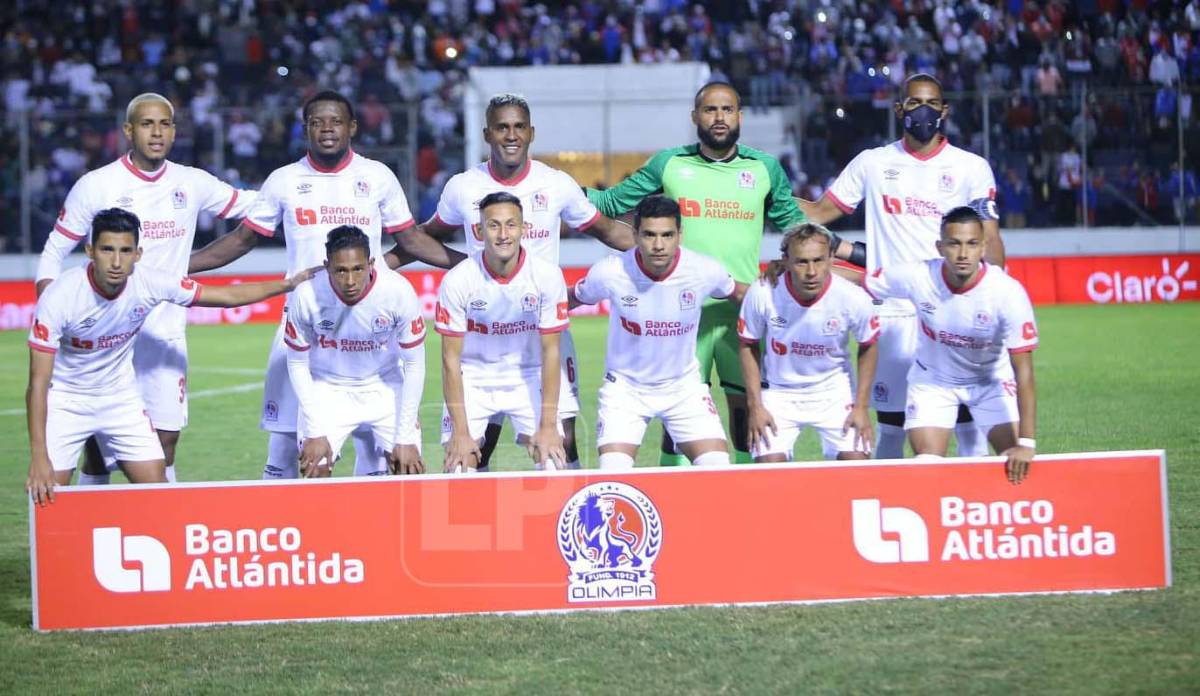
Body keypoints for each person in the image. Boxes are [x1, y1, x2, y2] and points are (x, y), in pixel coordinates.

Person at [187, 90, 465, 480]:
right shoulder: (284, 181)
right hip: (305, 321)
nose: (327, 129)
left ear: (352, 127)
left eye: (336, 121)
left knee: (380, 452)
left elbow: (412, 240)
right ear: (305, 130)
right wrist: (180, 265)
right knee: (286, 446)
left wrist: (473, 267)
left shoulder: (376, 176)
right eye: (317, 122)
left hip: (368, 326)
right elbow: (240, 241)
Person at [385, 93, 635, 471]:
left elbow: (608, 231)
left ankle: (563, 506)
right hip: (481, 336)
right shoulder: (463, 187)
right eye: (502, 127)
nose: (511, 135)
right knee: (473, 453)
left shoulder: (555, 184)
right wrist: (384, 266)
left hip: (541, 334)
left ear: (532, 132)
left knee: (562, 445)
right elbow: (423, 237)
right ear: (488, 134)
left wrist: (672, 253)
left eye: (519, 127)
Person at [34, 92, 256, 484]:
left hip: (163, 334)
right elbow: (55, 249)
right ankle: (97, 518)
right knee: (97, 452)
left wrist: (298, 193)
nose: (156, 133)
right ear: (128, 131)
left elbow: (255, 206)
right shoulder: (97, 185)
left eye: (165, 124)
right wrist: (49, 308)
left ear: (174, 131)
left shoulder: (191, 182)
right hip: (104, 334)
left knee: (166, 442)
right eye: (147, 124)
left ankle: (157, 517)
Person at [26, 208, 313, 505]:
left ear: (138, 254)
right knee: (47, 495)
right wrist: (38, 456)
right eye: (107, 250)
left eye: (125, 251)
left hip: (119, 399)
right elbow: (37, 384)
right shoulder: (61, 296)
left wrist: (287, 285)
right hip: (67, 401)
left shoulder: (149, 281)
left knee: (158, 493)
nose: (116, 262)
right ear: (90, 251)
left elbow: (225, 297)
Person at [586, 81, 805, 466]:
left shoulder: (764, 168)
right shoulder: (668, 164)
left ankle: (744, 489)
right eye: (710, 110)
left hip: (739, 310)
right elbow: (610, 202)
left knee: (747, 410)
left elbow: (797, 228)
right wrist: (551, 189)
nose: (719, 117)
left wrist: (844, 254)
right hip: (681, 317)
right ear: (695, 117)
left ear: (740, 116)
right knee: (679, 420)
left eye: (727, 110)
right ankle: (676, 489)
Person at [800, 73, 1006, 460]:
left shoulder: (971, 167)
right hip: (892, 313)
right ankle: (889, 492)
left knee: (966, 418)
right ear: (899, 109)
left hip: (950, 307)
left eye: (931, 103)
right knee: (891, 424)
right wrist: (766, 194)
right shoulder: (873, 163)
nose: (923, 110)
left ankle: (967, 496)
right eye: (914, 103)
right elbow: (818, 212)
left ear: (944, 110)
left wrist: (995, 294)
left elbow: (990, 239)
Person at [861, 207, 1037, 484]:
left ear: (983, 247)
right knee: (927, 466)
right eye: (954, 244)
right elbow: (863, 281)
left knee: (1014, 461)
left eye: (971, 244)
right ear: (940, 247)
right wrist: (796, 271)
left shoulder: (1007, 292)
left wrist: (1027, 443)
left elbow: (1024, 372)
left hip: (990, 382)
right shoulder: (919, 276)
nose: (963, 253)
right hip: (933, 383)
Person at [570, 196, 746, 469]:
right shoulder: (610, 272)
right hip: (625, 390)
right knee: (614, 472)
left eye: (667, 235)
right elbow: (571, 299)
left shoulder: (703, 270)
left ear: (680, 235)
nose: (659, 245)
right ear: (635, 235)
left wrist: (783, 294)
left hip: (683, 389)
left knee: (717, 466)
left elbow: (741, 294)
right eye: (649, 235)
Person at [436, 192, 568, 473]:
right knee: (459, 468)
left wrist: (547, 426)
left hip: (528, 375)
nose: (503, 234)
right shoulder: (458, 280)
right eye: (494, 225)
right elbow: (450, 360)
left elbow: (551, 351)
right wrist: (461, 433)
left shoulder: (547, 276)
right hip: (473, 378)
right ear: (478, 231)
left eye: (511, 225)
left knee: (553, 462)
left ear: (524, 229)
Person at [284, 226, 426, 479]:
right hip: (328, 388)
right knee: (314, 467)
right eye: (341, 270)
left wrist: (405, 436)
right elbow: (296, 363)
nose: (350, 281)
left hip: (385, 385)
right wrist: (314, 431)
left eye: (358, 269)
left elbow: (415, 365)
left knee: (409, 468)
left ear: (371, 264)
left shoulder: (398, 291)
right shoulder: (306, 295)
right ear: (327, 266)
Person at [738, 223, 879, 462]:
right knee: (768, 468)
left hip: (835, 392)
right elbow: (747, 344)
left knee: (856, 462)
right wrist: (756, 407)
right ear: (786, 260)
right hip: (779, 393)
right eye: (802, 262)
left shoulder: (853, 297)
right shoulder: (762, 292)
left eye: (818, 260)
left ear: (831, 258)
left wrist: (861, 407)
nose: (811, 271)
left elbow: (869, 344)